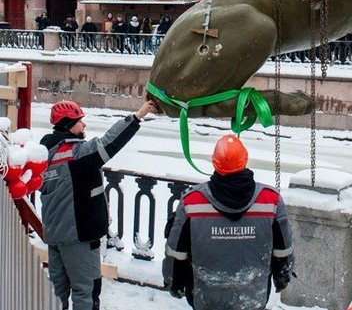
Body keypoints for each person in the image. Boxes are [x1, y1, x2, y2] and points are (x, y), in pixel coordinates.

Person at [40, 98, 159, 310]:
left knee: (56, 293)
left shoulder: (46, 155)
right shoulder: (76, 155)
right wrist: (137, 116)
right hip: (79, 237)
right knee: (85, 292)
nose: (84, 124)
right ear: (68, 125)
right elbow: (110, 142)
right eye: (79, 121)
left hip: (54, 235)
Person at [164, 135, 294, 310]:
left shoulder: (192, 201)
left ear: (214, 162)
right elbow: (283, 251)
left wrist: (174, 284)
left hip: (205, 298)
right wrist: (281, 279)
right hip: (252, 297)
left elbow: (177, 252)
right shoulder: (271, 200)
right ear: (245, 160)